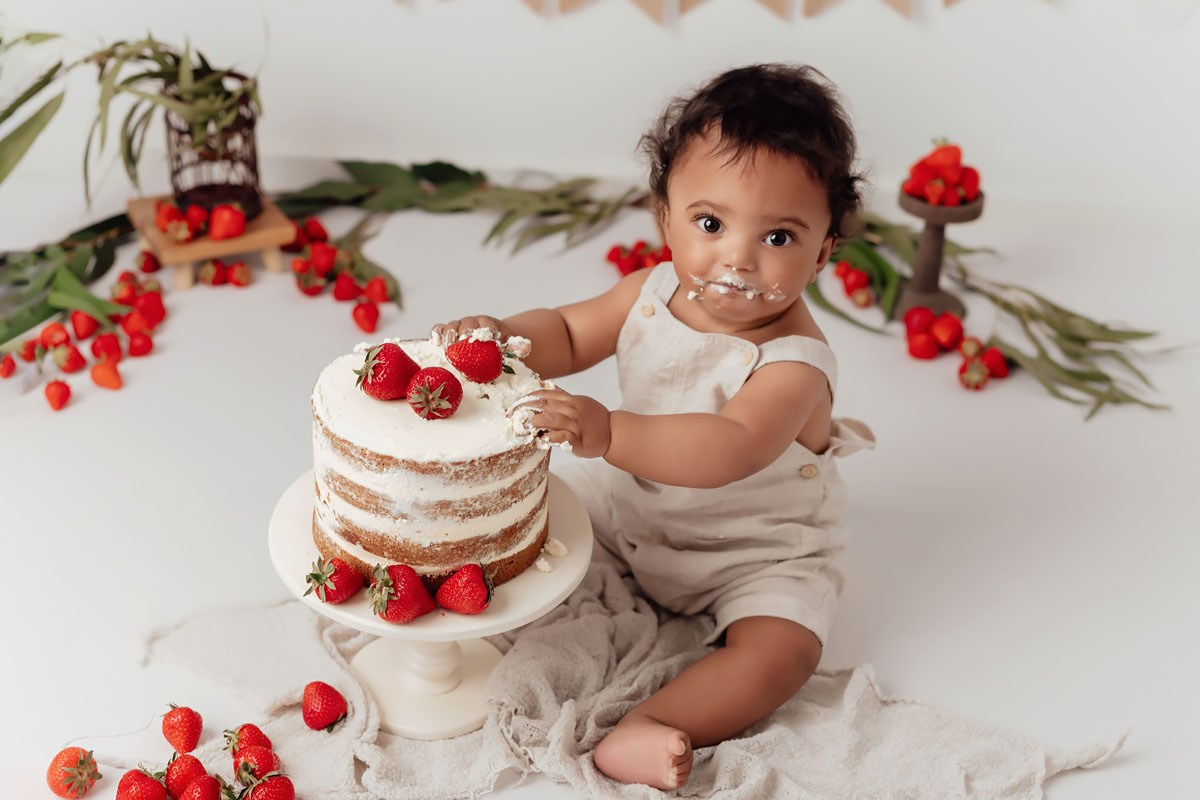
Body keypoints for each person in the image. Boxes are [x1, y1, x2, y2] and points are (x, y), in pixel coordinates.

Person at [431, 63, 874, 791]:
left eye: (780, 238)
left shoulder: (796, 362)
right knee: (534, 508)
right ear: (663, 216)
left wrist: (607, 431)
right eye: (710, 223)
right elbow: (571, 333)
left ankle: (651, 725)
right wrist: (505, 336)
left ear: (825, 250)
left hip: (756, 548)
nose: (737, 257)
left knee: (784, 652)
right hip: (634, 504)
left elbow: (729, 448)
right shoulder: (649, 291)